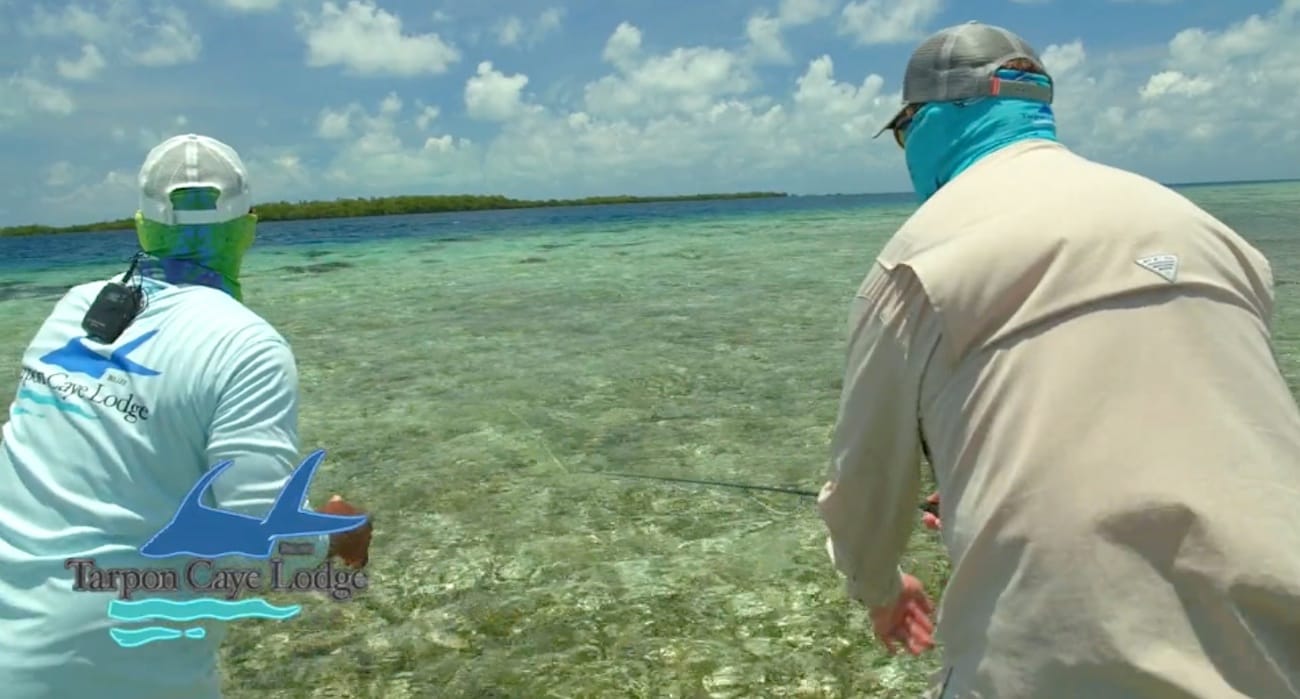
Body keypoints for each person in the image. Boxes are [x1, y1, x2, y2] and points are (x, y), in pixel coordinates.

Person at [815, 20, 1300, 699]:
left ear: (928, 122)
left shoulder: (915, 263)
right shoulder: (1215, 237)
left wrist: (880, 588)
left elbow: (863, 498)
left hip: (1050, 669)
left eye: (903, 132)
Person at [0, 133, 373, 698]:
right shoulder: (246, 346)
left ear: (142, 227)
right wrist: (341, 535)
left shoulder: (74, 308)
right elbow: (259, 552)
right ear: (247, 227)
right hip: (121, 676)